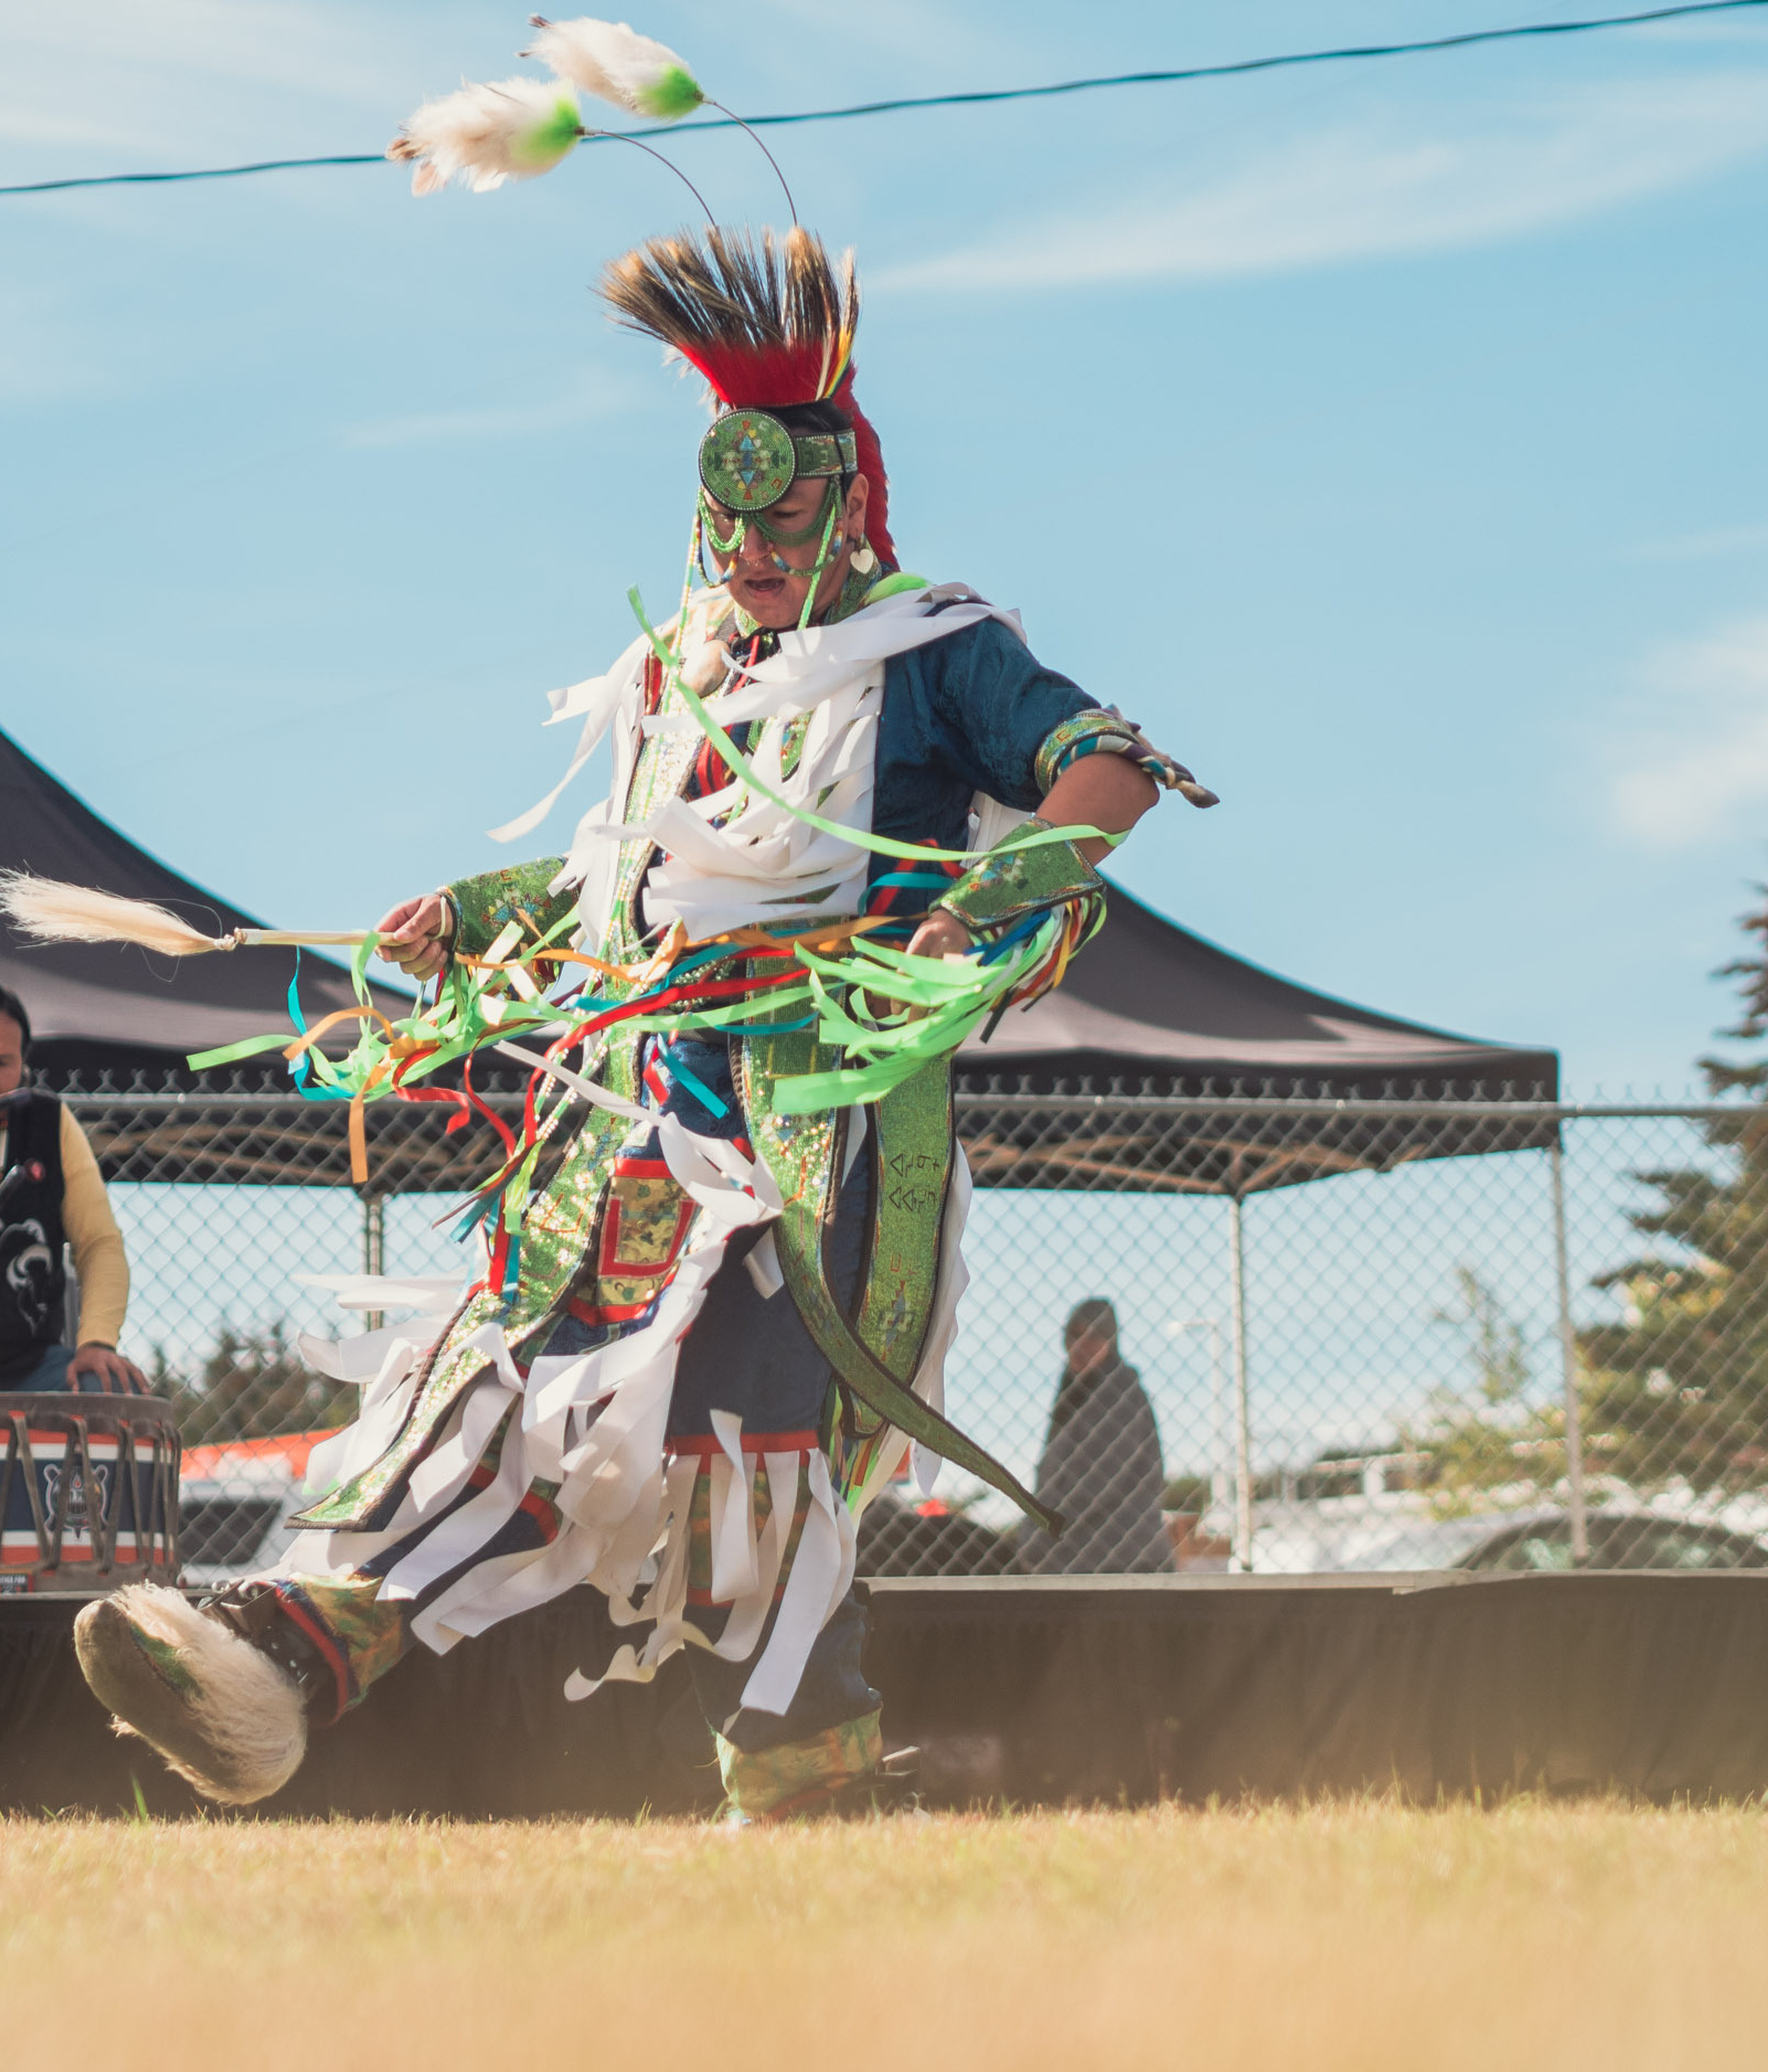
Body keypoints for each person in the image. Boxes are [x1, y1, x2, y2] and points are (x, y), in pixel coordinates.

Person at [74, 221, 1215, 1821]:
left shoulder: (935, 649)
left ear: (847, 501)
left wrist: (986, 900)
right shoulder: (682, 676)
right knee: (503, 1366)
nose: (748, 546)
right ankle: (289, 1655)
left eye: (783, 511)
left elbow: (1105, 770)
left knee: (742, 1458)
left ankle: (801, 1780)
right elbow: (635, 875)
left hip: (818, 1133)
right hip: (636, 1103)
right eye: (723, 514)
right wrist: (476, 913)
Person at [0, 981, 146, 1395]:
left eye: (1, 1062)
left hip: (31, 1368)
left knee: (106, 1387)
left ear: (23, 1067)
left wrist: (97, 1342)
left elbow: (100, 1243)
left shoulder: (49, 1122)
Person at [1020, 1300, 1172, 1576]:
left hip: (1121, 1560)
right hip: (1085, 1555)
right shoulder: (1076, 1390)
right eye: (1075, 1335)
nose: (1081, 1346)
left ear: (1110, 1341)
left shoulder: (1118, 1392)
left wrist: (1040, 1532)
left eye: (1093, 1337)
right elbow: (1054, 1473)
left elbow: (1097, 1480)